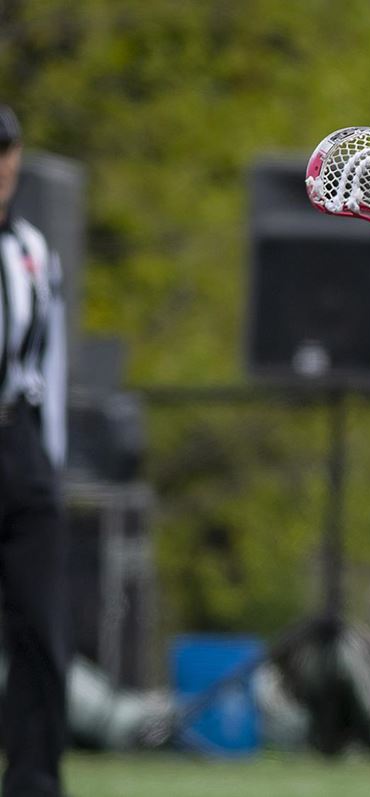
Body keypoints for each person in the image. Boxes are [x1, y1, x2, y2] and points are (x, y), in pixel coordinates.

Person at [0, 104, 70, 797]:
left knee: (40, 625)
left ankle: (34, 780)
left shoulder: (32, 250)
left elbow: (51, 359)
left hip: (19, 442)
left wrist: (50, 457)